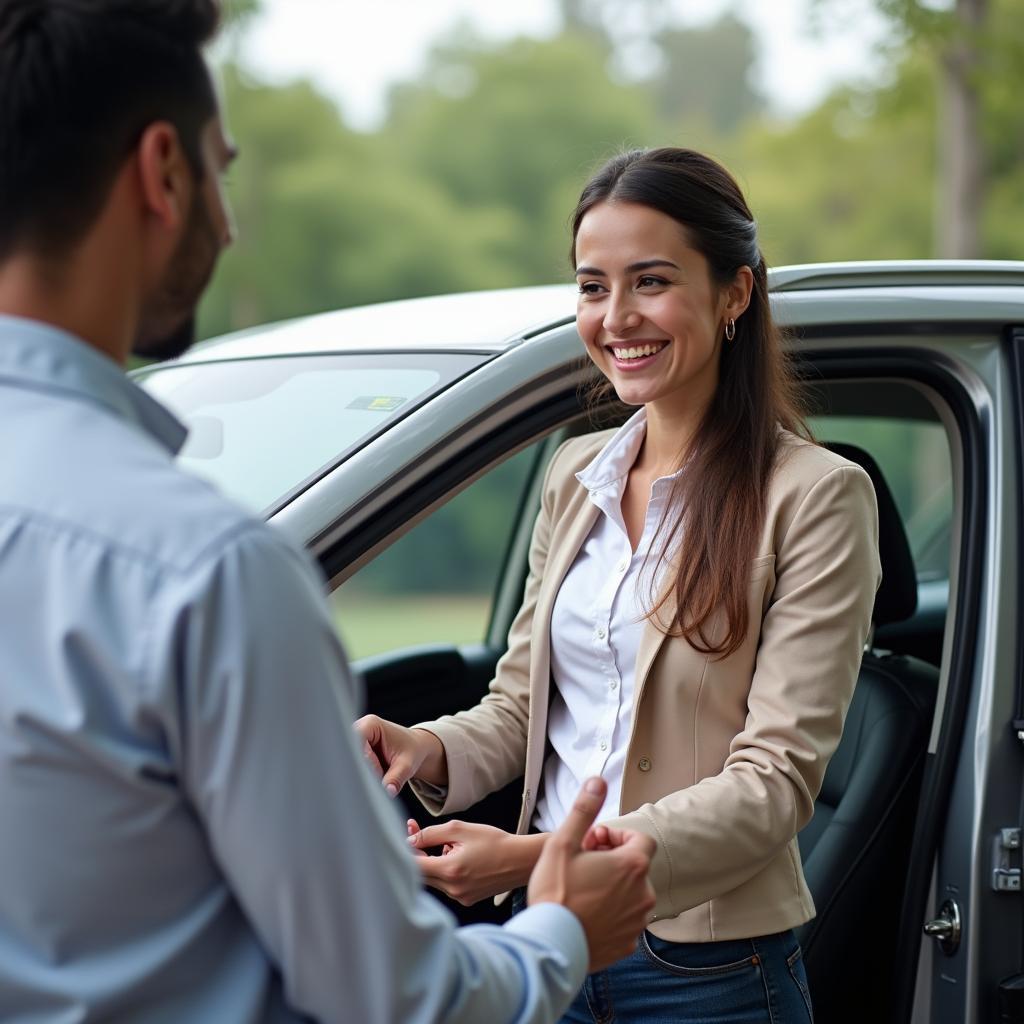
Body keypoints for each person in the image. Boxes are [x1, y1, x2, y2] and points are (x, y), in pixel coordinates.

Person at [0, 3, 658, 1022]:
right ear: (161, 171)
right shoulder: (202, 569)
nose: (227, 221)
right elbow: (395, 999)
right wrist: (559, 927)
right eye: (220, 172)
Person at [358, 147, 882, 1021]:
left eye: (649, 282)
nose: (616, 317)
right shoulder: (575, 475)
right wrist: (426, 747)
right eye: (592, 286)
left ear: (735, 294)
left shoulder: (818, 496)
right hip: (551, 944)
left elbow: (773, 784)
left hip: (707, 977)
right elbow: (525, 707)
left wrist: (532, 855)